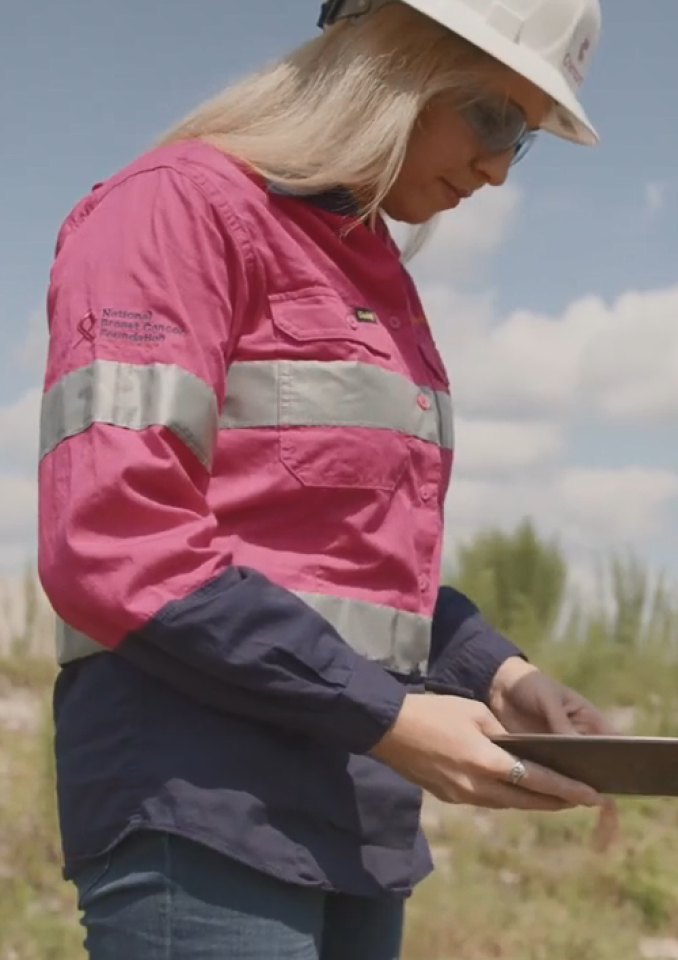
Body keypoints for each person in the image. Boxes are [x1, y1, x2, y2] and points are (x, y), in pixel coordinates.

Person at [36, 1, 613, 958]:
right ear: (391, 55)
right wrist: (387, 716)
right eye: (497, 119)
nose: (501, 168)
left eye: (527, 139)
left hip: (352, 812)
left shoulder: (370, 265)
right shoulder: (175, 210)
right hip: (203, 804)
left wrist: (503, 676)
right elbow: (116, 542)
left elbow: (348, 566)